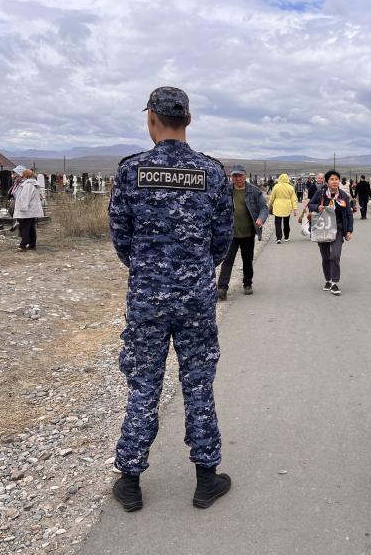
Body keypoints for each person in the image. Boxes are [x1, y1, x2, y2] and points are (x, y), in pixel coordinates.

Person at [108, 86, 233, 513]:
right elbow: (221, 241)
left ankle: (129, 480)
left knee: (144, 384)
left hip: (147, 296)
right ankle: (206, 478)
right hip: (196, 297)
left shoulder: (131, 171)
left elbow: (121, 239)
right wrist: (195, 270)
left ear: (152, 120)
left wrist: (148, 269)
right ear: (189, 121)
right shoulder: (211, 172)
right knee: (198, 382)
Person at [217, 164, 268, 300]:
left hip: (248, 233)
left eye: (240, 175)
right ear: (231, 177)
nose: (237, 178)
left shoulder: (254, 191)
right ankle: (222, 288)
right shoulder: (226, 191)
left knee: (247, 260)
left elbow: (264, 208)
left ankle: (247, 284)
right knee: (227, 260)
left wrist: (260, 219)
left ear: (245, 175)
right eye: (235, 176)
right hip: (230, 233)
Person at [307, 170, 353, 295]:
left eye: (336, 179)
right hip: (323, 228)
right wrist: (317, 207)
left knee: (335, 255)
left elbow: (349, 214)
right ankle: (328, 279)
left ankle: (334, 283)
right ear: (327, 182)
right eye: (332, 179)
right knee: (326, 256)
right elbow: (310, 205)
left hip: (338, 229)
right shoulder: (321, 193)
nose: (334, 181)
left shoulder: (343, 196)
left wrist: (349, 230)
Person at [13, 169, 44, 252]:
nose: (22, 177)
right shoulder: (34, 184)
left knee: (25, 228)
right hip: (32, 210)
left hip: (27, 210)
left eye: (23, 175)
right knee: (31, 227)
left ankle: (23, 245)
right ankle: (32, 244)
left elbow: (25, 198)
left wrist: (22, 209)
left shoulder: (28, 185)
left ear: (25, 176)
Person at [268, 172, 298, 244]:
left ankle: (278, 238)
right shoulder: (290, 187)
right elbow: (294, 199)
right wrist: (295, 209)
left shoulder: (276, 186)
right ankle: (286, 237)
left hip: (277, 205)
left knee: (277, 222)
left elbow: (272, 197)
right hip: (287, 206)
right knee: (286, 222)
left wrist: (270, 204)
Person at [7, 165, 26, 231]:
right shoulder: (17, 182)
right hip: (16, 200)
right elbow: (13, 191)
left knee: (23, 223)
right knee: (11, 211)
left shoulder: (24, 183)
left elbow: (22, 194)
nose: (13, 175)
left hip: (20, 202)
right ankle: (17, 223)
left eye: (15, 173)